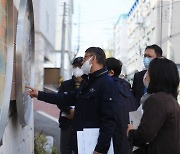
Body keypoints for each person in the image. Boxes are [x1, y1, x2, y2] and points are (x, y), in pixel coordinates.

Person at [27, 47, 117, 154]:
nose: (83, 62)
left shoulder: (106, 83)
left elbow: (108, 120)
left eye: (85, 58)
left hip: (93, 145)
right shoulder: (88, 82)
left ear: (93, 59)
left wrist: (101, 148)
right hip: (81, 143)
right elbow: (66, 98)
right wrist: (39, 94)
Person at [127, 57, 180, 154]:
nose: (145, 76)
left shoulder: (157, 100)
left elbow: (144, 135)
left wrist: (131, 132)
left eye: (148, 72)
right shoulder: (171, 100)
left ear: (157, 76)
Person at [105, 57, 136, 154]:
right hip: (126, 140)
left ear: (111, 72)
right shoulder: (127, 90)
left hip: (112, 141)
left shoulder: (109, 89)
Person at [58, 57, 83, 154]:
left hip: (82, 123)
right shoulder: (65, 85)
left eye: (80, 66)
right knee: (65, 148)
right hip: (66, 122)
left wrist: (77, 112)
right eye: (75, 66)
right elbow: (59, 100)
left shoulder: (88, 85)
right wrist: (69, 110)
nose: (77, 69)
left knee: (80, 148)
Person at [132, 44, 163, 109]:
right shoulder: (138, 76)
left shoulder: (163, 76)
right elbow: (134, 97)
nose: (146, 59)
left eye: (149, 56)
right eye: (145, 56)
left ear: (158, 58)